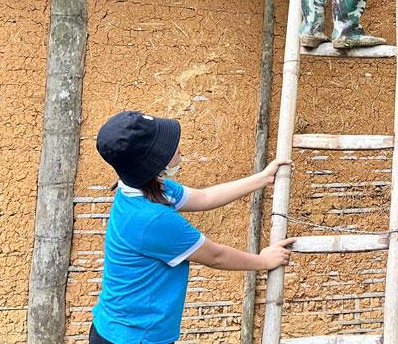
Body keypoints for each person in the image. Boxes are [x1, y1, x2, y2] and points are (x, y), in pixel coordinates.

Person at [90, 110, 296, 344]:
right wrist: (264, 261)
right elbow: (215, 256)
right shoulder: (151, 219)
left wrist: (262, 179)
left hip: (121, 328)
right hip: (133, 337)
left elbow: (205, 197)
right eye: (167, 148)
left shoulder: (149, 189)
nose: (178, 148)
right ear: (152, 162)